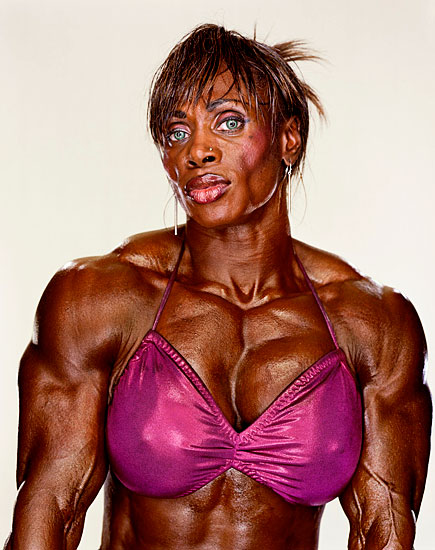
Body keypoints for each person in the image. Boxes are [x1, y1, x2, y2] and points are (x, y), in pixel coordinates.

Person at [5, 24, 431, 550]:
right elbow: (53, 507)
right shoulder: (99, 300)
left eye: (228, 122)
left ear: (288, 138)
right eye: (176, 133)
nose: (197, 150)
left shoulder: (372, 324)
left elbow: (382, 527)